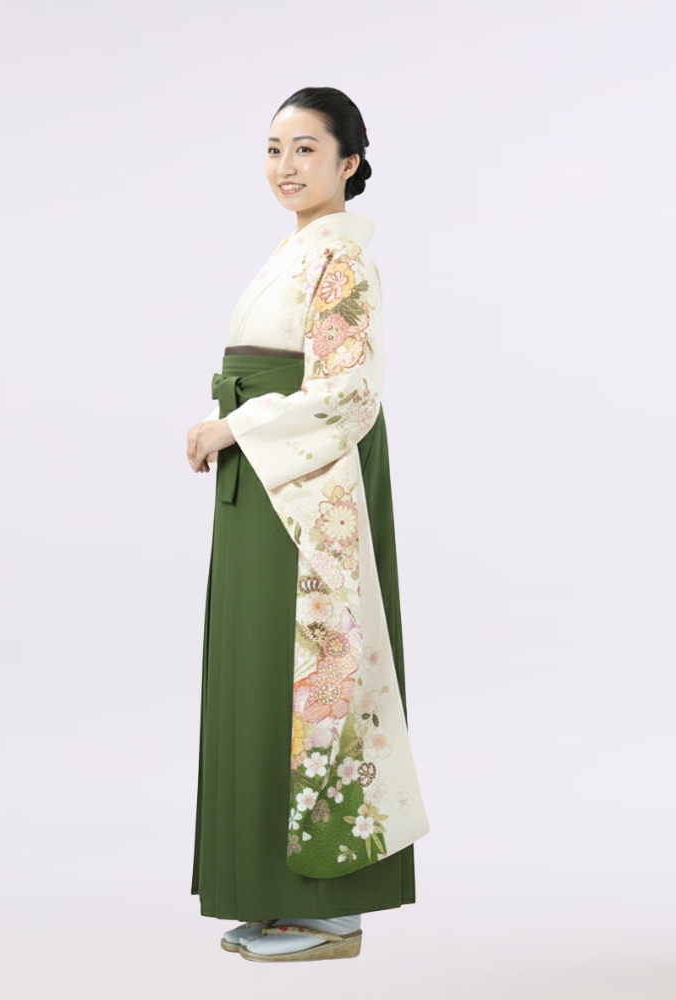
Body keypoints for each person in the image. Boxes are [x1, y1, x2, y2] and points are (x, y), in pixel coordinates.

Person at [185, 86, 430, 963]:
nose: (286, 166)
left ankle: (330, 908)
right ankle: (279, 899)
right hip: (270, 475)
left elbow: (349, 390)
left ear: (349, 163)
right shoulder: (299, 251)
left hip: (306, 490)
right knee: (261, 674)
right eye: (274, 149)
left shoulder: (343, 259)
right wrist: (235, 425)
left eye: (306, 150)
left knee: (311, 674)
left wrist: (236, 425)